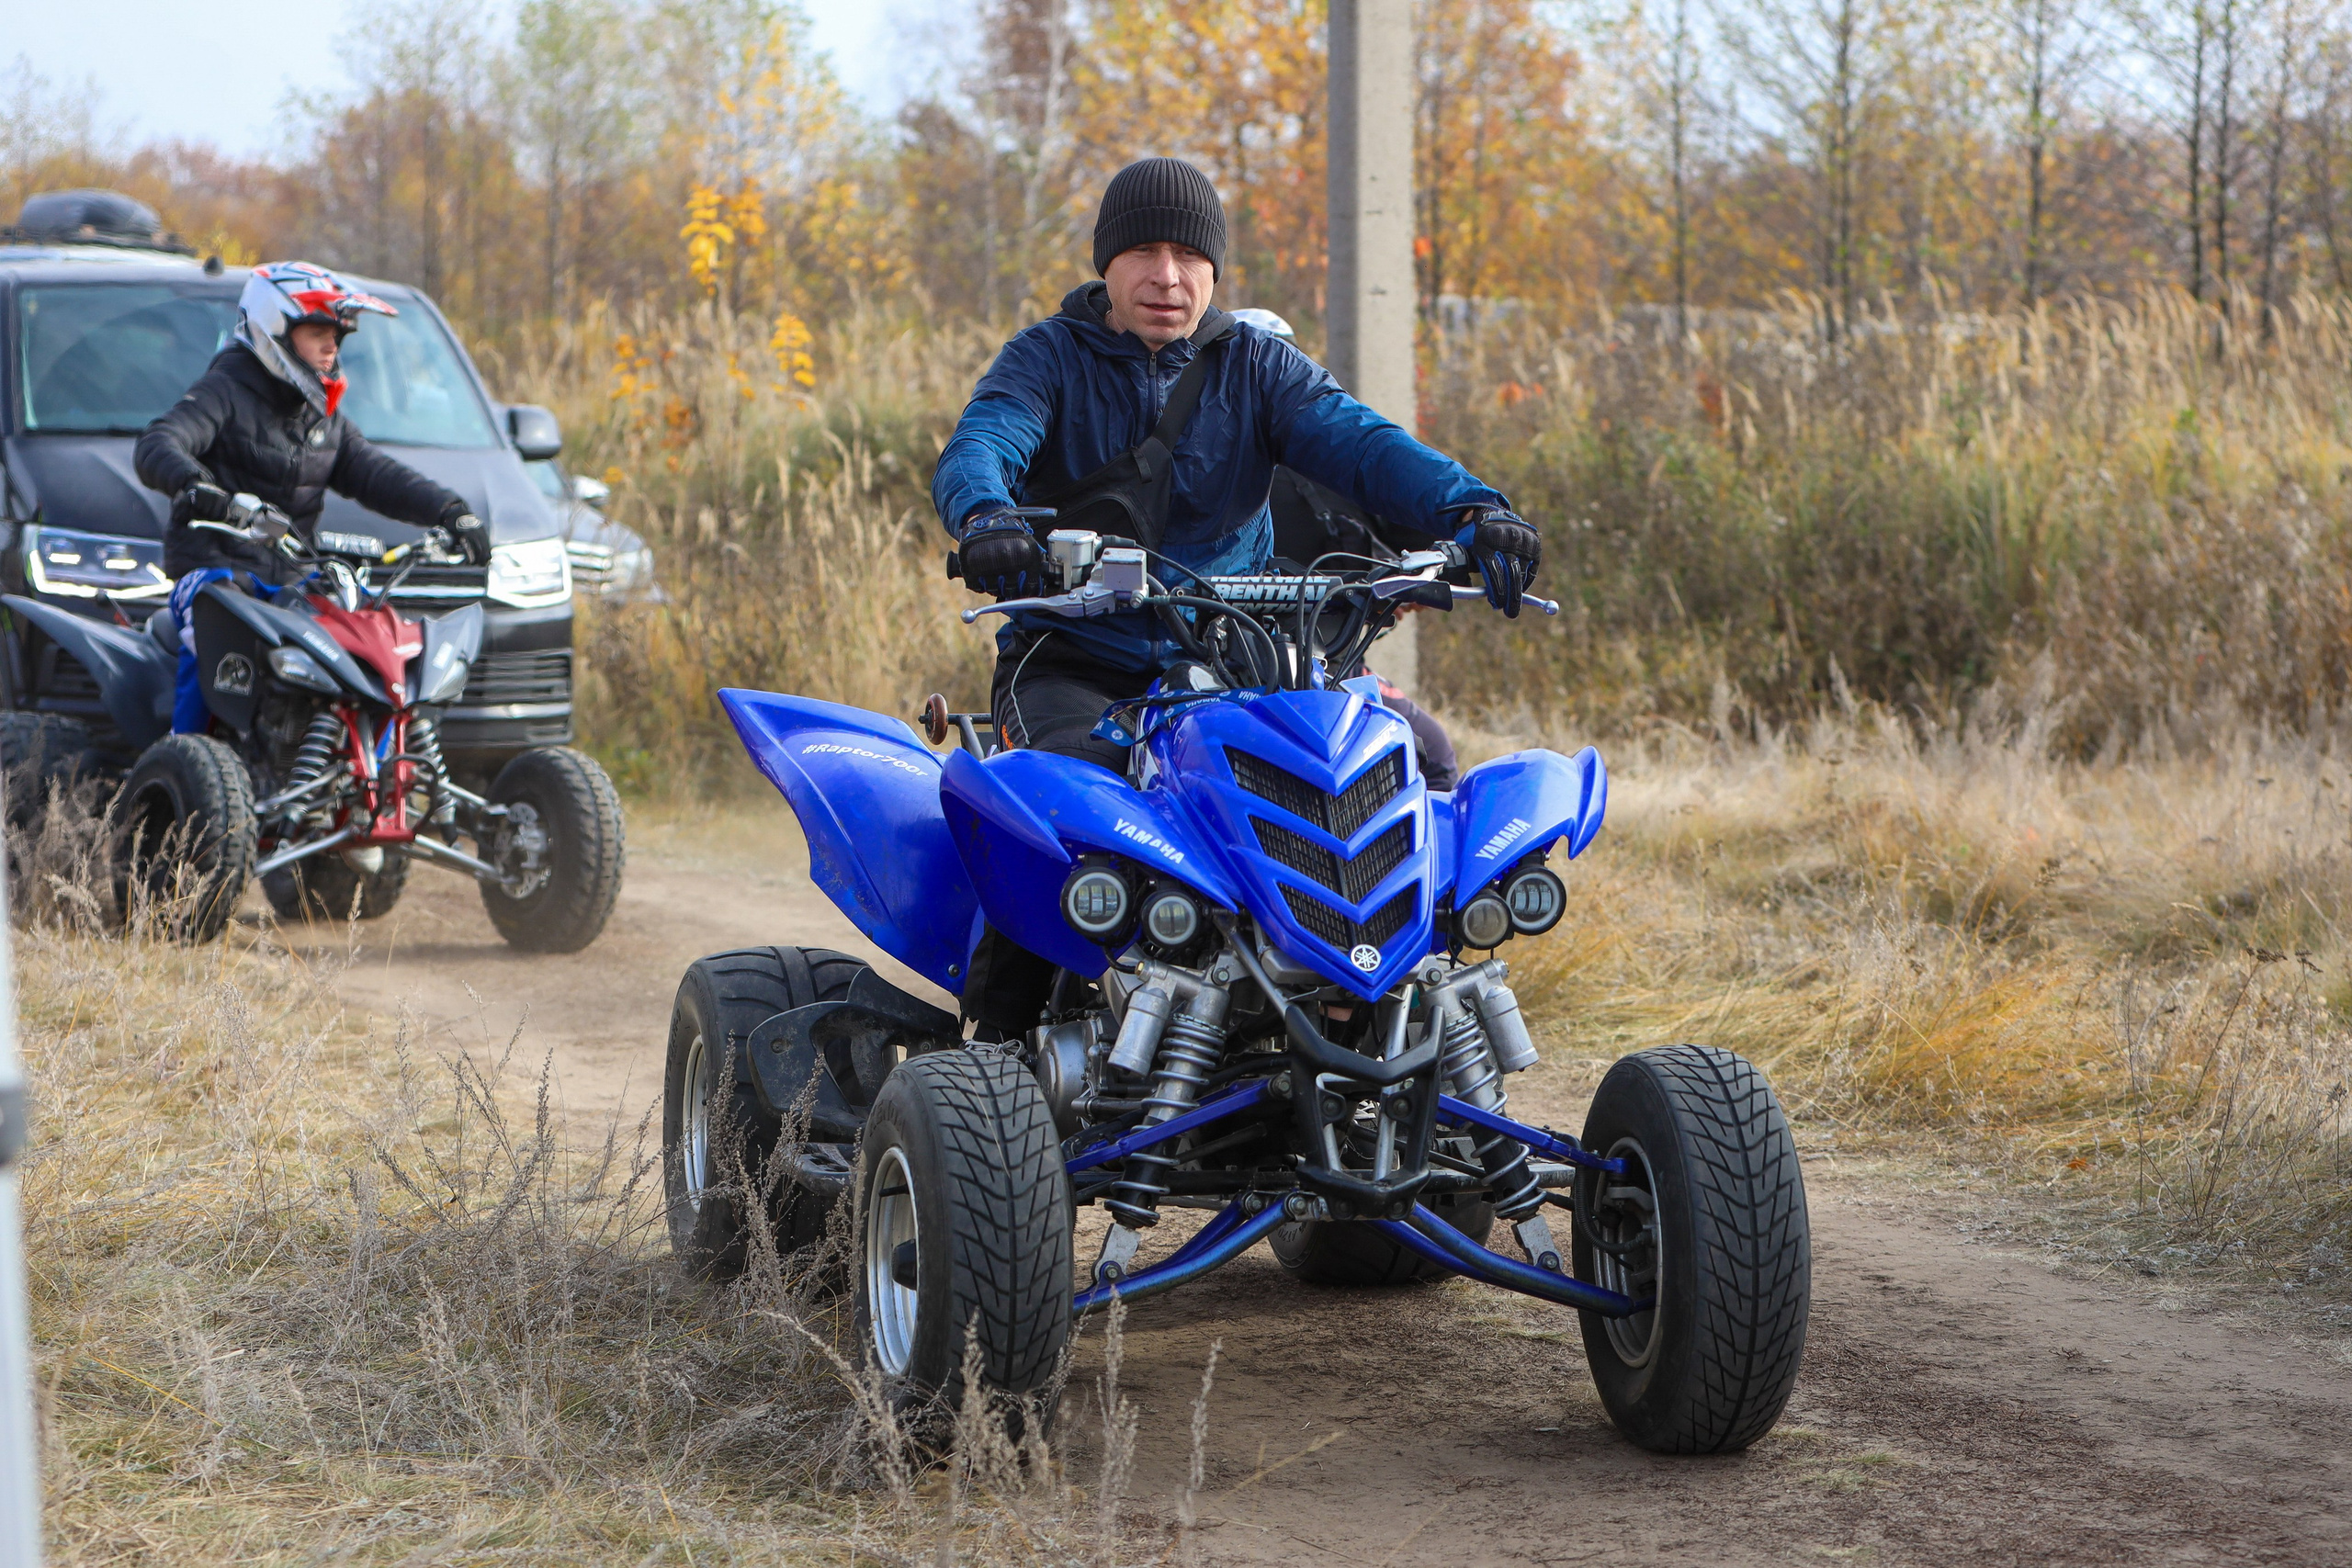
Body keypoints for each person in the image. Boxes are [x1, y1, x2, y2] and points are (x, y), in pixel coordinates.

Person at [933, 156, 1537, 1037]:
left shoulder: (1257, 365)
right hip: (1080, 663)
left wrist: (1476, 510)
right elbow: (982, 441)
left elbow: (1365, 445)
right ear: (1106, 262)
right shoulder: (1048, 358)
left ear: (1216, 269)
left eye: (1188, 254)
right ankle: (997, 1052)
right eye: (1143, 251)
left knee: (1393, 768)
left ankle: (1387, 1017)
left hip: (1243, 663)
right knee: (1058, 809)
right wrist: (988, 516)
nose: (1166, 276)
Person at [135, 261, 491, 734]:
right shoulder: (224, 390)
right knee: (217, 634)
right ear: (274, 329)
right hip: (212, 569)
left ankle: (375, 780)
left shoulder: (322, 420)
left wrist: (450, 512)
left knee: (377, 639)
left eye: (337, 335)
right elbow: (159, 442)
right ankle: (185, 771)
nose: (331, 345)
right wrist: (198, 488)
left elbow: (377, 474)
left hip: (294, 579)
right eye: (318, 330)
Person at [1230, 306, 1461, 791]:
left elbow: (1422, 541)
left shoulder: (1338, 460)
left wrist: (1426, 576)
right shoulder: (1195, 466)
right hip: (1220, 665)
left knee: (1428, 752)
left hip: (1332, 662)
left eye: (1276, 364)